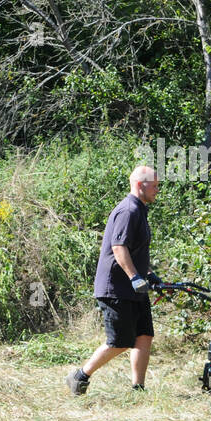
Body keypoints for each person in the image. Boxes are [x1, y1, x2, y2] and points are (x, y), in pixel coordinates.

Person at [67, 165, 161, 395]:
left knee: (144, 335)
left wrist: (147, 273)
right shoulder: (128, 210)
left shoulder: (140, 210)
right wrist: (134, 277)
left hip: (134, 288)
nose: (158, 190)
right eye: (155, 186)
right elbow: (118, 247)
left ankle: (138, 388)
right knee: (119, 341)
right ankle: (80, 376)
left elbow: (133, 250)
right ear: (141, 185)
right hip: (116, 288)